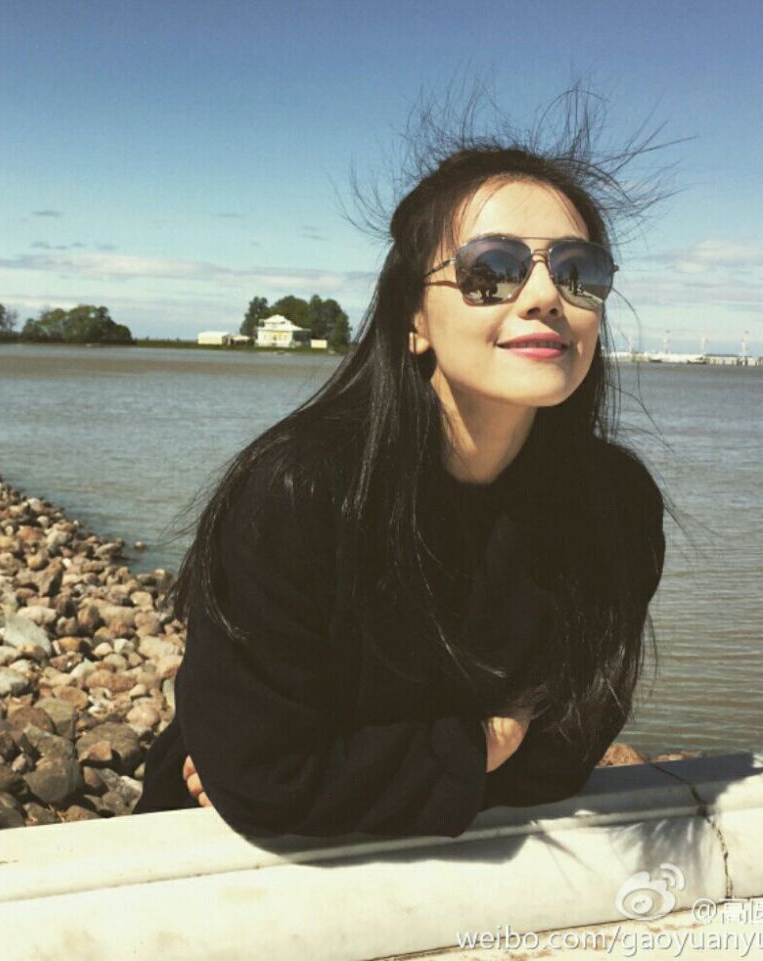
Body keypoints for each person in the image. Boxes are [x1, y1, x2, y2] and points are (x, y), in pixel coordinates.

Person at [133, 101, 668, 839]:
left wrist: (359, 765)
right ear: (414, 317)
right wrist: (484, 740)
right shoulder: (299, 493)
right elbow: (267, 778)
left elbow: (561, 755)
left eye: (580, 272)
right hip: (213, 866)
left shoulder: (615, 507)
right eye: (493, 270)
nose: (547, 297)